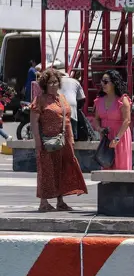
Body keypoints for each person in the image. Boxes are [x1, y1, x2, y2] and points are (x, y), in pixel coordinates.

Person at [30, 69, 87, 212]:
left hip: (64, 141)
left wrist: (71, 139)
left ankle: (60, 201)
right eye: (50, 82)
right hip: (47, 141)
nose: (54, 85)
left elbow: (67, 119)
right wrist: (37, 141)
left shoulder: (61, 98)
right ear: (45, 84)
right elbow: (34, 122)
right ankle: (43, 202)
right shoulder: (40, 99)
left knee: (62, 168)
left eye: (56, 82)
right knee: (46, 170)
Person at [92, 70, 133, 170]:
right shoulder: (99, 100)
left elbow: (127, 120)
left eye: (106, 81)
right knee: (106, 165)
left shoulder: (123, 100)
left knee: (121, 166)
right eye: (102, 81)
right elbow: (96, 119)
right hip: (106, 137)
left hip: (120, 136)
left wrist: (117, 139)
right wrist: (99, 129)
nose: (103, 84)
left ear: (114, 83)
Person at [56, 66, 86, 140]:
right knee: (71, 136)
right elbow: (82, 98)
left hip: (57, 107)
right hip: (72, 108)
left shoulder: (54, 82)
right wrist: (77, 108)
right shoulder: (75, 81)